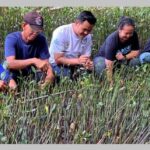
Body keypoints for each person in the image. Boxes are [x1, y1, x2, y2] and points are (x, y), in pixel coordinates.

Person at [4, 11, 54, 89]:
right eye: (33, 30)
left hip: (26, 73)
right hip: (5, 70)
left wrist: (50, 75)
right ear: (23, 26)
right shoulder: (11, 38)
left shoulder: (41, 39)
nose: (35, 33)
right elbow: (9, 63)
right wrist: (34, 60)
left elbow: (46, 64)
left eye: (38, 31)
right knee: (13, 88)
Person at [49, 10, 97, 81]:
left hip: (76, 63)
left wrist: (88, 63)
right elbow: (58, 59)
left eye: (89, 30)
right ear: (77, 23)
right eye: (84, 29)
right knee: (66, 76)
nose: (86, 33)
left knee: (90, 75)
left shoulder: (88, 36)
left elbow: (87, 57)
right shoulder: (61, 32)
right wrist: (78, 61)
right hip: (57, 64)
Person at [94, 16, 140, 86]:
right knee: (101, 65)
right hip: (104, 59)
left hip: (119, 60)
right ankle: (107, 82)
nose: (128, 36)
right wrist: (111, 81)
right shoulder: (112, 40)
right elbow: (109, 63)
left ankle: (126, 80)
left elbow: (136, 52)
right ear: (119, 30)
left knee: (135, 61)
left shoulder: (134, 35)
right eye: (126, 33)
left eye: (130, 33)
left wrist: (125, 57)